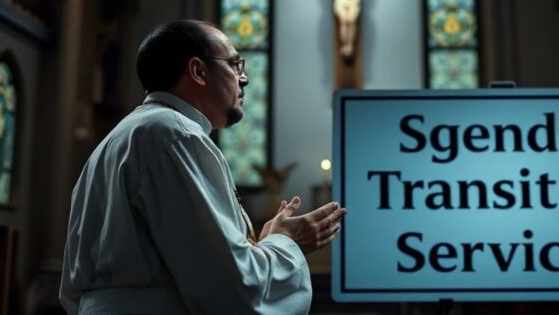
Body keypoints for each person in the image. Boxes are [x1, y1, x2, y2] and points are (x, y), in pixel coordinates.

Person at [59, 19, 347, 314]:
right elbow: (231, 289)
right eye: (234, 65)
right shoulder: (175, 135)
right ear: (197, 71)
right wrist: (285, 242)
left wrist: (263, 244)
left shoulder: (121, 137)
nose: (244, 78)